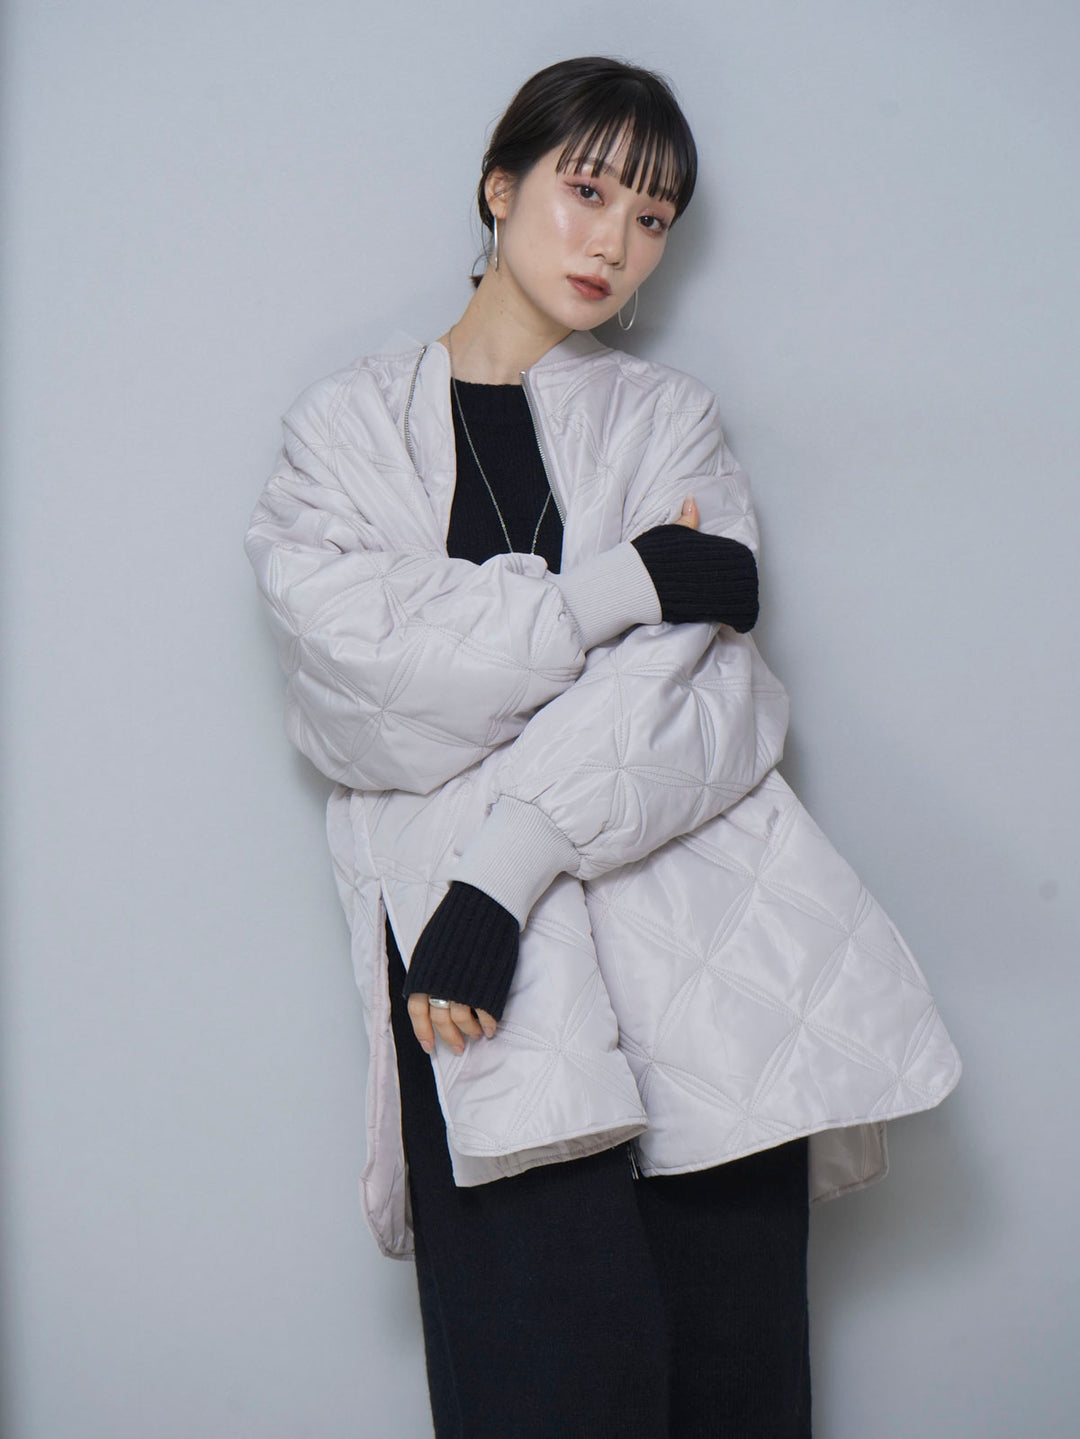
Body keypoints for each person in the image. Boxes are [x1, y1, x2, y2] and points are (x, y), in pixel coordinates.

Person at [245, 55, 961, 1438]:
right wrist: (620, 587)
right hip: (484, 987)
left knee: (732, 1395)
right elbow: (367, 693)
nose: (615, 241)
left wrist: (501, 864)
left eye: (652, 217)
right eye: (586, 191)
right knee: (545, 1395)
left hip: (703, 958)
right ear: (498, 188)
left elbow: (706, 700)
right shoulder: (344, 434)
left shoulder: (667, 422)